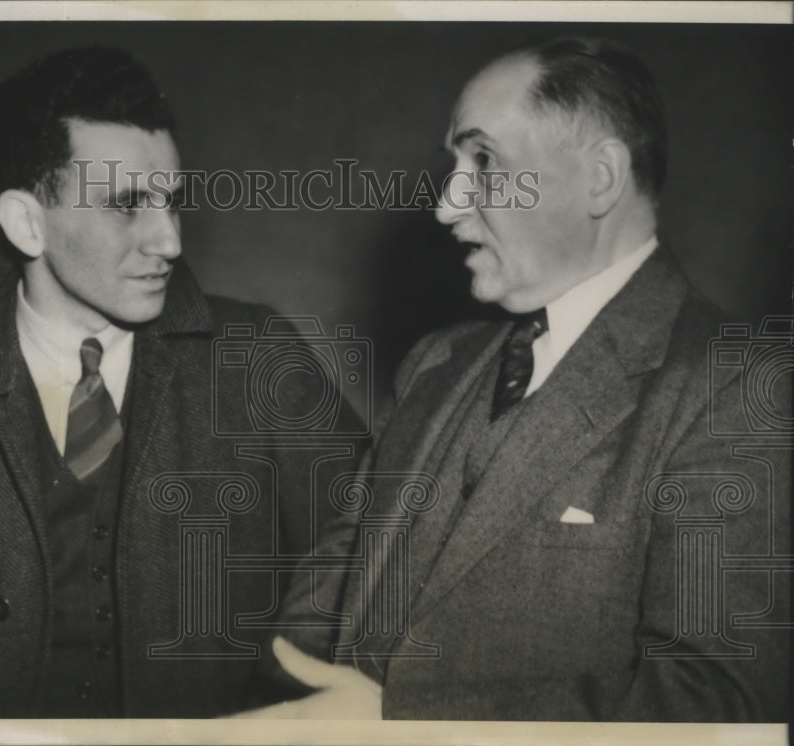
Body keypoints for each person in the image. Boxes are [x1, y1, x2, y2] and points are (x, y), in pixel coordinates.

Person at [246, 37, 791, 721]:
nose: (447, 203)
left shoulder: (739, 383)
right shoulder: (435, 364)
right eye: (455, 163)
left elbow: (720, 707)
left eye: (484, 161)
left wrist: (403, 726)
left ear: (601, 177)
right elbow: (321, 603)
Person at [0, 46, 362, 718]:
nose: (168, 240)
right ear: (27, 222)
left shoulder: (259, 360)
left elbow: (382, 543)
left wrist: (283, 690)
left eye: (172, 202)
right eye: (127, 205)